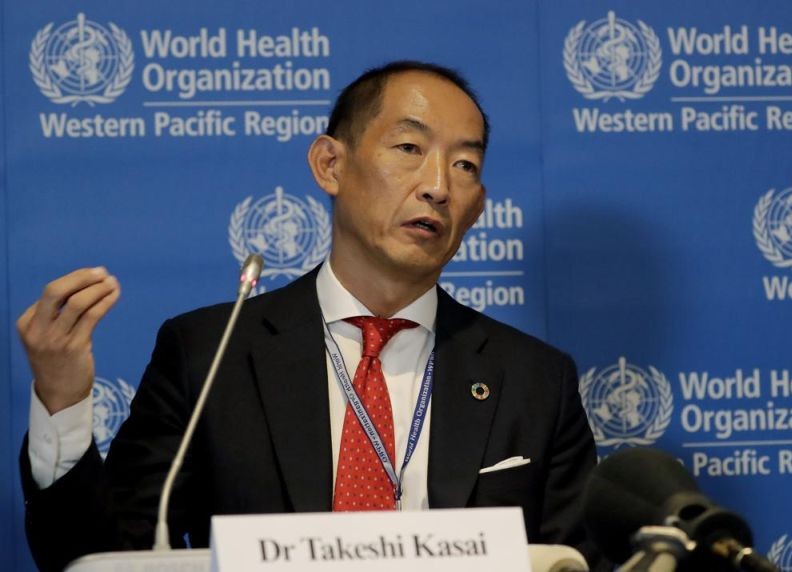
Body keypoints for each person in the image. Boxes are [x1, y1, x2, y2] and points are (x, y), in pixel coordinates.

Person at [17, 61, 602, 571]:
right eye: (409, 149)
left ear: (479, 208)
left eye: (467, 165)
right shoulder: (211, 354)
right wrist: (63, 401)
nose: (439, 186)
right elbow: (103, 559)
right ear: (329, 165)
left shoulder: (533, 380)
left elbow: (571, 561)